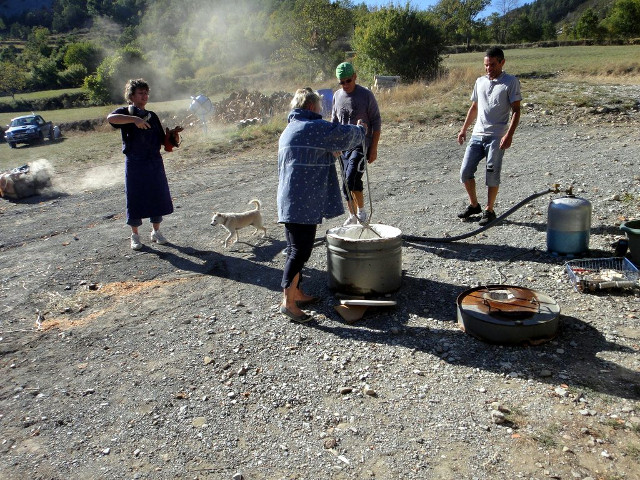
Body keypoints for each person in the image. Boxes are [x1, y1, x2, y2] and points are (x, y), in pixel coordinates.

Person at [278, 88, 366, 323]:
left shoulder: (291, 128)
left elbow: (309, 155)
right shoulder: (311, 126)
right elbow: (343, 134)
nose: (321, 111)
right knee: (299, 251)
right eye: (319, 107)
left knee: (295, 246)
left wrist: (329, 153)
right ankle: (287, 302)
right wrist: (360, 130)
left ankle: (296, 292)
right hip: (302, 200)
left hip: (291, 199)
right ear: (310, 107)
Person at [107, 78, 179, 250]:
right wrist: (134, 120)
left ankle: (156, 232)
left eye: (146, 93)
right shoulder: (125, 112)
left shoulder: (152, 116)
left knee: (156, 195)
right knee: (135, 198)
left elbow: (162, 141)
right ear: (131, 95)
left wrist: (172, 137)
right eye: (141, 93)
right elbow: (111, 118)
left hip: (154, 161)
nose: (145, 96)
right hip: (135, 163)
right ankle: (135, 235)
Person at [457, 47, 522, 226]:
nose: (489, 68)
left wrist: (509, 135)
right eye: (486, 65)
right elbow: (474, 107)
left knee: (492, 174)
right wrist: (463, 129)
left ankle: (489, 210)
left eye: (492, 64)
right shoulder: (480, 82)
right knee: (465, 171)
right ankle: (474, 205)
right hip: (477, 135)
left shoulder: (510, 82)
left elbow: (516, 110)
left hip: (497, 136)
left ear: (502, 62)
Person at [331, 62, 381, 226]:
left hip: (360, 145)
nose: (345, 85)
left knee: (352, 177)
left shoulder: (366, 95)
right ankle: (353, 215)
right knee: (347, 182)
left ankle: (361, 213)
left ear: (354, 77)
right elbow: (334, 122)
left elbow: (376, 121)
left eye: (348, 80)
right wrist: (333, 144)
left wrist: (373, 148)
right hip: (343, 146)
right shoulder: (337, 96)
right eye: (341, 82)